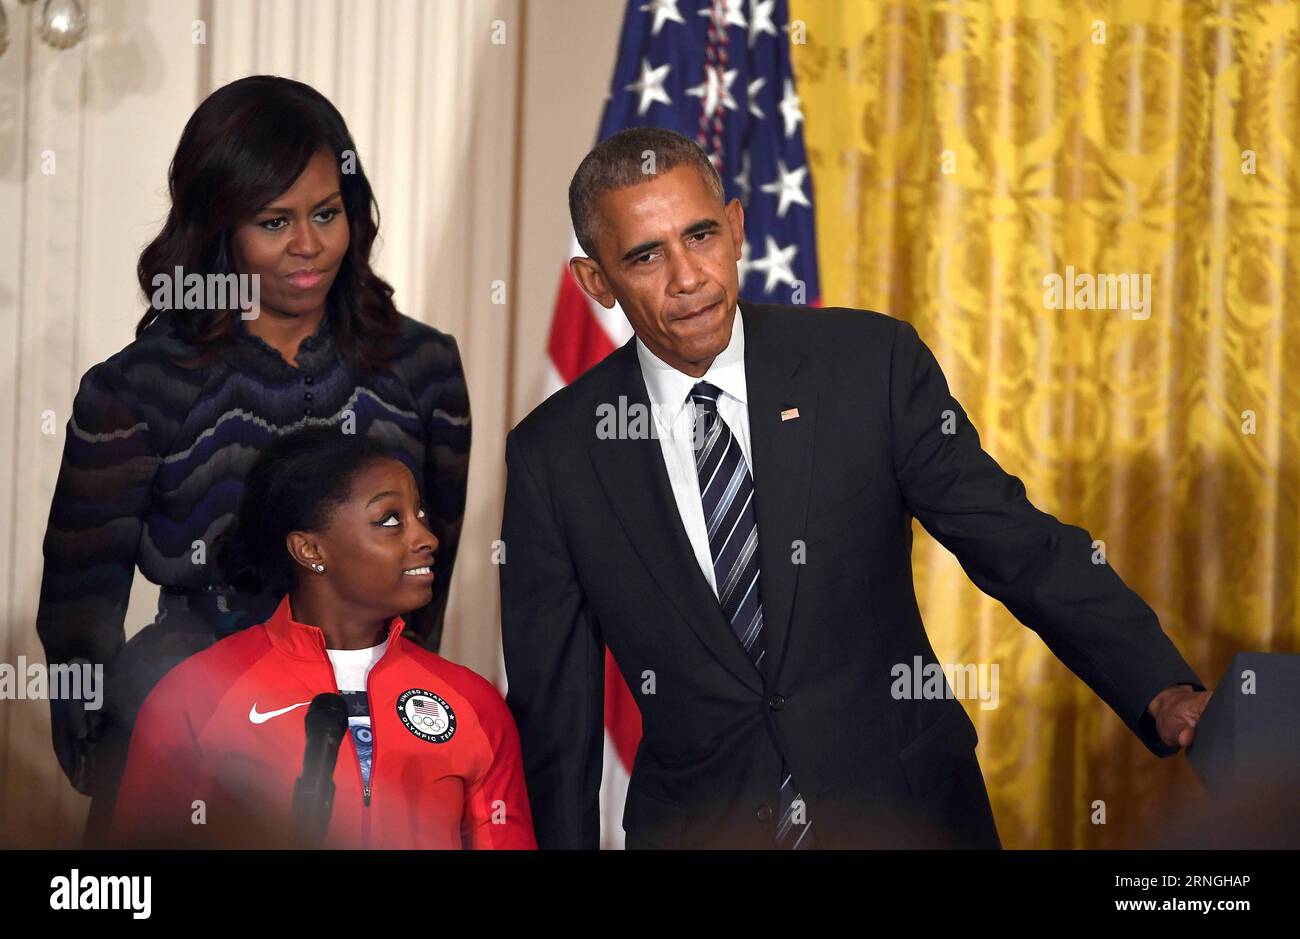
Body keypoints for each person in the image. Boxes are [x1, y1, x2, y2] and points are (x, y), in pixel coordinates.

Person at [499, 126, 1211, 850]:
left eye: (702, 235)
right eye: (647, 256)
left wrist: (1157, 684)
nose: (688, 277)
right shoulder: (553, 456)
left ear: (737, 227)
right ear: (596, 280)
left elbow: (1016, 542)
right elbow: (556, 723)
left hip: (906, 814)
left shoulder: (868, 366)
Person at [35, 75, 471, 847]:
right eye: (274, 221)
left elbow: (424, 577)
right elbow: (80, 608)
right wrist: (107, 753)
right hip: (183, 715)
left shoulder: (424, 367)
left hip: (375, 712)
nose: (308, 245)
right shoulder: (134, 388)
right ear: (217, 229)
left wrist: (398, 702)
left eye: (327, 214)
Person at [109, 428, 534, 849]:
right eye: (390, 520)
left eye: (419, 516)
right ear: (310, 551)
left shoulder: (473, 704)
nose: (427, 538)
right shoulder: (195, 696)